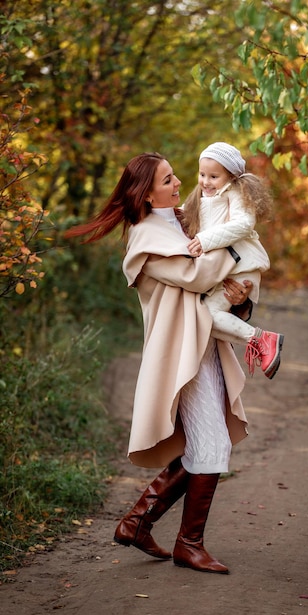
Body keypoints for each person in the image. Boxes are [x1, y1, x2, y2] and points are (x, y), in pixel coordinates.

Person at [65, 152, 254, 575]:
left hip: (202, 345)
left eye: (174, 176)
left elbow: (210, 287)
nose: (178, 182)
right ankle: (188, 544)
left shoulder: (181, 224)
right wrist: (241, 245)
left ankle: (137, 522)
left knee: (204, 441)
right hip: (179, 353)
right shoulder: (147, 236)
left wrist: (238, 295)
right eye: (167, 179)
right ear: (146, 195)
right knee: (212, 445)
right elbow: (198, 277)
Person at [181, 141, 284, 380]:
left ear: (232, 176)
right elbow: (182, 215)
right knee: (205, 317)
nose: (206, 181)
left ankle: (261, 340)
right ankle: (260, 341)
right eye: (202, 174)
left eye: (214, 176)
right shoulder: (200, 196)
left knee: (207, 315)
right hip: (225, 267)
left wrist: (205, 240)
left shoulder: (236, 192)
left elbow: (243, 224)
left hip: (241, 266)